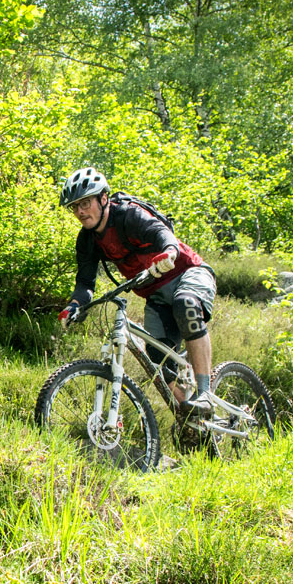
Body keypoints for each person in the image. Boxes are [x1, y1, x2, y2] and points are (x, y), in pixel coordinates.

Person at [57, 166, 218, 415]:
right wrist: (74, 306)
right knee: (158, 361)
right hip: (155, 293)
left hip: (189, 272)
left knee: (185, 303)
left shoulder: (128, 215)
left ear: (103, 199)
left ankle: (206, 393)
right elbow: (85, 283)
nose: (79, 211)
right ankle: (191, 414)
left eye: (85, 203)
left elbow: (161, 233)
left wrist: (169, 252)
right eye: (75, 206)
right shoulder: (87, 240)